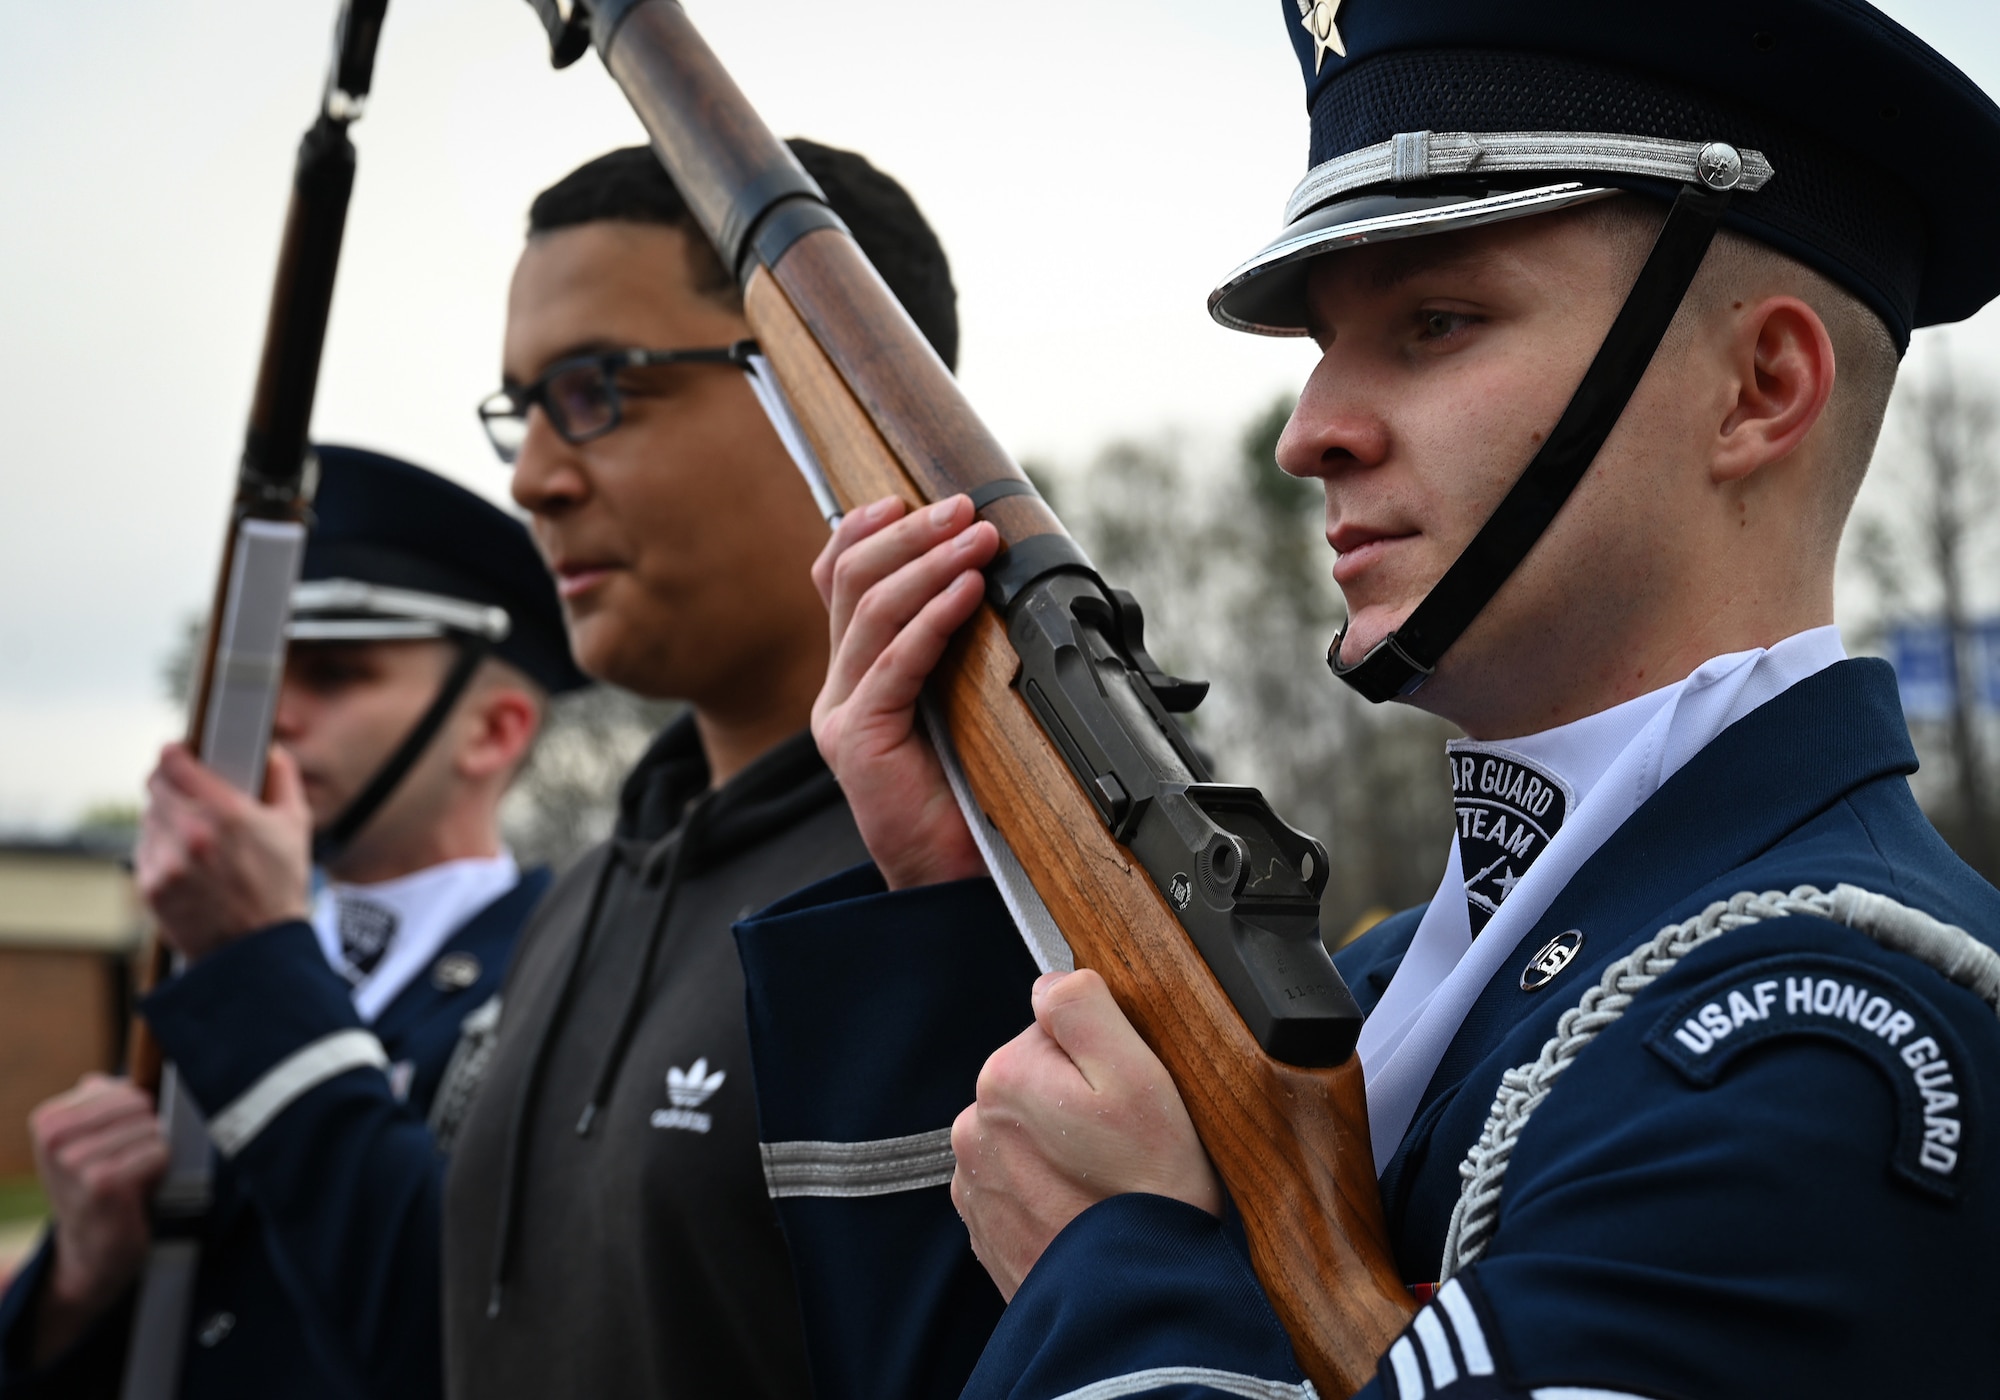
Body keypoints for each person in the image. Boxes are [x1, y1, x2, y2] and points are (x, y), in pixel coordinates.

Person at [733, 2, 2000, 1397]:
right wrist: (955, 907)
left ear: (1760, 389)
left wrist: (1120, 1252)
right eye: (1325, 344)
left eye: (1436, 323)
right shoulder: (1395, 982)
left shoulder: (1818, 1038)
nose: (1307, 431)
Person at [439, 139, 960, 1400]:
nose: (531, 480)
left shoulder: (979, 894)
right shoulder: (580, 898)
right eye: (525, 406)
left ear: (835, 396)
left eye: (596, 388)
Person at [0, 446, 586, 1399]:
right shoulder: (215, 968)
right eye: (270, 675)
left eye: (338, 675)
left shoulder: (570, 968)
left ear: (493, 731)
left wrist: (250, 959)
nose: (276, 716)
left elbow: (483, 1335)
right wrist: (74, 1280)